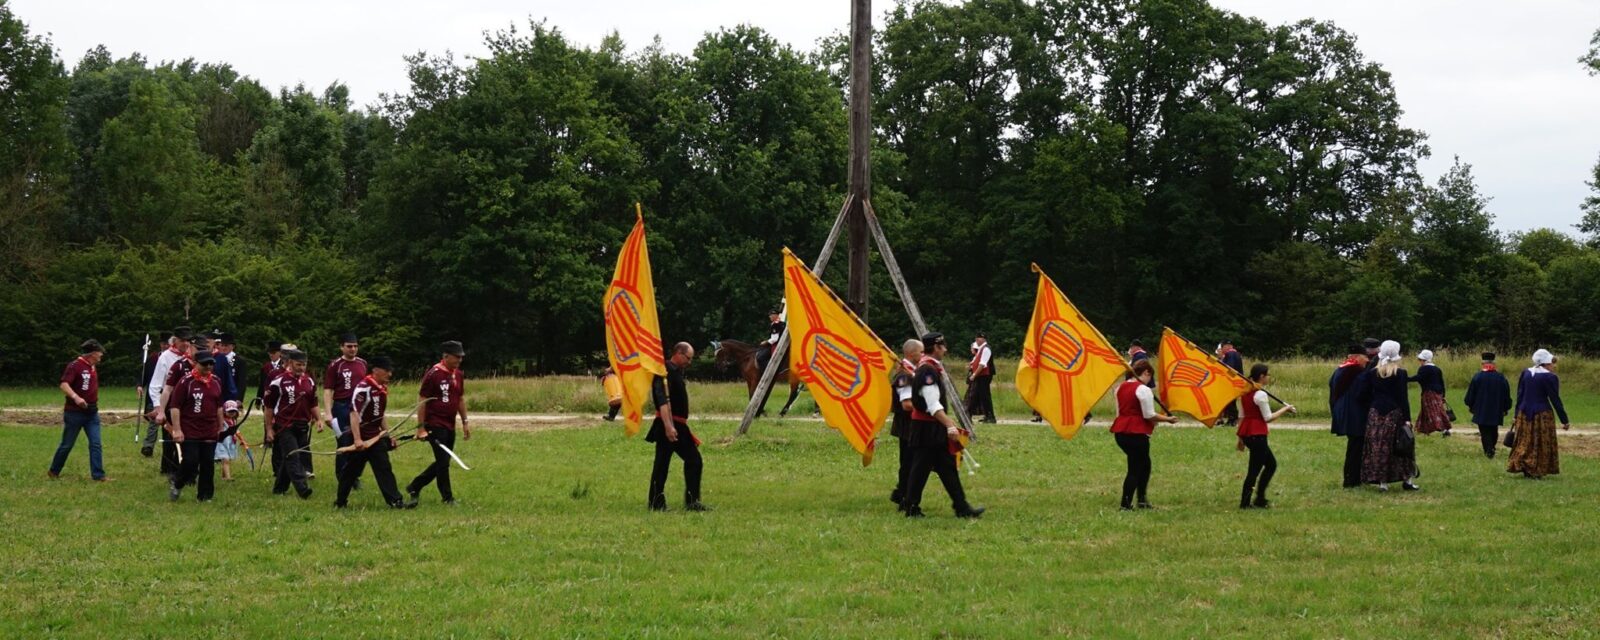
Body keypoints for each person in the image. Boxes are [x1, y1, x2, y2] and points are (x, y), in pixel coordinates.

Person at [902, 332, 985, 519]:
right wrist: (949, 425)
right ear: (936, 348)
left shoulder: (928, 368)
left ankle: (961, 507)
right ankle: (911, 506)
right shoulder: (927, 371)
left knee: (946, 466)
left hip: (930, 427)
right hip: (926, 429)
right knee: (920, 468)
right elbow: (932, 404)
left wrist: (947, 424)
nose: (946, 350)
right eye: (943, 347)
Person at [336, 356, 413, 509]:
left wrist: (387, 435)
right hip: (361, 438)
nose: (390, 374)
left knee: (384, 467)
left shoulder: (382, 388)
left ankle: (395, 501)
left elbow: (380, 415)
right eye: (386, 371)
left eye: (390, 371)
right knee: (351, 471)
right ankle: (340, 501)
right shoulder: (364, 387)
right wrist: (357, 439)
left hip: (375, 438)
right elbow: (354, 414)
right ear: (376, 370)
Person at [642, 342, 708, 511]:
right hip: (670, 425)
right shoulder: (664, 371)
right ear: (678, 353)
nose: (689, 362)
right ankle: (683, 502)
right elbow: (662, 400)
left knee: (666, 463)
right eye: (688, 358)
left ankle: (660, 502)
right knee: (690, 460)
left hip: (676, 424)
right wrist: (668, 426)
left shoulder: (674, 371)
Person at [407, 341, 470, 506]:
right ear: (446, 356)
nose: (459, 360)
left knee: (445, 460)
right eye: (457, 357)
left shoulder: (459, 374)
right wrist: (421, 428)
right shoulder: (433, 374)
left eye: (461, 357)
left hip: (450, 423)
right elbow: (422, 400)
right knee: (443, 462)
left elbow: (460, 398)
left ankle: (415, 485)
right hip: (435, 423)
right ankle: (447, 497)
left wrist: (465, 421)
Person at [1110, 360, 1178, 510]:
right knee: (1135, 468)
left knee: (1145, 465)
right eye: (1150, 377)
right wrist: (1168, 419)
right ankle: (1126, 504)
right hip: (1136, 433)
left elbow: (1119, 413)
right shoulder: (1143, 389)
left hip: (1121, 432)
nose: (1150, 381)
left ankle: (1142, 499)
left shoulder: (1119, 388)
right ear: (1146, 372)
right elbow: (1149, 415)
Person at [1358, 340, 1418, 492]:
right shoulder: (1401, 373)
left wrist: (1372, 404)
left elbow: (1361, 395)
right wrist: (1407, 418)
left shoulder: (1372, 373)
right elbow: (1403, 398)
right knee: (1401, 446)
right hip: (1394, 413)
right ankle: (1407, 480)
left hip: (1376, 413)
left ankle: (1382, 482)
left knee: (1379, 447)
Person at [166, 351, 226, 502]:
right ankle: (178, 482)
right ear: (195, 363)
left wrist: (221, 426)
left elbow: (219, 406)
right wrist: (177, 429)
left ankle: (205, 496)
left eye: (211, 364)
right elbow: (175, 407)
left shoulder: (216, 381)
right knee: (191, 461)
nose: (208, 367)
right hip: (190, 429)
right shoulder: (186, 382)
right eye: (204, 364)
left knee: (208, 463)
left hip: (210, 429)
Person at [48, 340, 110, 482]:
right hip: (74, 413)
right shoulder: (75, 366)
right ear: (92, 353)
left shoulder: (92, 367)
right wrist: (76, 398)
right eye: (99, 352)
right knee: (67, 444)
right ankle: (54, 470)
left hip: (92, 413)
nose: (101, 355)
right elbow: (64, 384)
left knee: (96, 443)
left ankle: (98, 475)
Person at [1237, 364, 1295, 509]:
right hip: (1257, 435)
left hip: (1248, 433)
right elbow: (1268, 417)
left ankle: (1260, 498)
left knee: (1270, 464)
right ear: (1262, 376)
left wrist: (1240, 438)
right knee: (1254, 470)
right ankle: (1247, 503)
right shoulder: (1260, 394)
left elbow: (1242, 416)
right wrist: (1285, 409)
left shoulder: (1245, 391)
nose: (1269, 377)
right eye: (1268, 375)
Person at [263, 348, 317, 499]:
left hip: (302, 425)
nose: (302, 368)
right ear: (290, 363)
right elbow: (268, 407)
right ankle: (302, 488)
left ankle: (279, 488)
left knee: (291, 457)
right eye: (299, 364)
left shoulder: (309, 381)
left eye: (304, 365)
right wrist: (269, 429)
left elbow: (313, 403)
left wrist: (318, 419)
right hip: (285, 425)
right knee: (293, 456)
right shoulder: (278, 381)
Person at [1507, 349, 1569, 479]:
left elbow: (1520, 395)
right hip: (1542, 414)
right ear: (1546, 363)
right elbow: (1555, 399)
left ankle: (1523, 464)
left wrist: (1516, 414)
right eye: (1552, 363)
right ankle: (1536, 468)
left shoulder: (1526, 373)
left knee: (1525, 440)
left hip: (1524, 413)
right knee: (1540, 442)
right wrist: (1564, 420)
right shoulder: (1550, 377)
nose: (1554, 366)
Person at [323, 333, 367, 486]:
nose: (352, 349)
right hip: (341, 407)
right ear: (342, 347)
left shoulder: (362, 363)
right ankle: (342, 476)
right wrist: (328, 413)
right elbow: (328, 390)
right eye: (349, 346)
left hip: (359, 407)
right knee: (344, 441)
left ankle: (354, 475)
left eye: (355, 346)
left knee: (360, 441)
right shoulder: (335, 365)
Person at [143, 327, 191, 458]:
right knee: (170, 438)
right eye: (182, 340)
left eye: (188, 341)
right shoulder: (165, 357)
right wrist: (159, 407)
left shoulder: (192, 357)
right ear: (175, 341)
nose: (185, 344)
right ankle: (168, 468)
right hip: (170, 400)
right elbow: (155, 385)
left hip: (188, 402)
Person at [887, 339, 922, 511]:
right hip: (908, 425)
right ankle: (903, 496)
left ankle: (902, 493)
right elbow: (906, 404)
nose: (922, 355)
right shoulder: (905, 376)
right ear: (910, 354)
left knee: (911, 461)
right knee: (909, 462)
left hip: (911, 425)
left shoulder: (910, 372)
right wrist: (927, 408)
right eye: (920, 352)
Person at [1329, 345, 1370, 488]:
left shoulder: (1339, 369)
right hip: (1354, 414)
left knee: (1354, 445)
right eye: (1365, 357)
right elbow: (1362, 393)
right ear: (1357, 357)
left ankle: (1353, 478)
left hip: (1342, 411)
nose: (1367, 360)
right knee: (1356, 447)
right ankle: (1351, 480)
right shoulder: (1356, 371)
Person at [1463, 352, 1512, 459]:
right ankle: (1491, 448)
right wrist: (1506, 407)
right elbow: (1506, 394)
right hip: (1496, 409)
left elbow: (1470, 395)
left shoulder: (1477, 377)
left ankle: (1489, 450)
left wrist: (1470, 405)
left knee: (1484, 431)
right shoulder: (1501, 378)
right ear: (1494, 364)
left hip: (1481, 409)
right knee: (1494, 429)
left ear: (1482, 363)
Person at [1411, 350, 1453, 437]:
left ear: (1424, 360)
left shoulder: (1424, 368)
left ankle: (1444, 430)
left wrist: (1405, 379)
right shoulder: (1437, 369)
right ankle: (1424, 430)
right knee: (1433, 410)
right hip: (1438, 393)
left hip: (1429, 393)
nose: (1420, 362)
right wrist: (1443, 395)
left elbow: (1418, 378)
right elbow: (1441, 383)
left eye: (1421, 360)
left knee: (1433, 412)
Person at [258, 341, 285, 473]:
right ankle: (268, 438)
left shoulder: (285, 365)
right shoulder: (266, 367)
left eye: (273, 353)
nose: (271, 355)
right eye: (269, 353)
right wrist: (260, 398)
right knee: (267, 419)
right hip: (268, 398)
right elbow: (262, 384)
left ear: (280, 353)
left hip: (280, 400)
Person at [966, 333, 996, 423]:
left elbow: (982, 364)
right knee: (979, 395)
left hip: (984, 376)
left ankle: (990, 417)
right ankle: (986, 415)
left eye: (979, 338)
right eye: (976, 338)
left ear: (984, 339)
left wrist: (974, 374)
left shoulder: (986, 349)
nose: (977, 340)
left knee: (984, 396)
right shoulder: (981, 349)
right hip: (981, 375)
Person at [1215, 340, 1245, 426]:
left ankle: (1232, 419)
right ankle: (1231, 419)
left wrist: (1221, 362)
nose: (1222, 350)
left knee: (1229, 401)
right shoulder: (1235, 354)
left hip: (1231, 382)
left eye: (1222, 348)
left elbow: (1228, 368)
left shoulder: (1230, 354)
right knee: (1231, 401)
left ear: (1226, 347)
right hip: (1236, 382)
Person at [212, 333, 244, 403]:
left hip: (232, 395)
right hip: (218, 393)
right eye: (222, 345)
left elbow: (241, 382)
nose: (223, 348)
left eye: (226, 346)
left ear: (232, 346)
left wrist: (239, 398)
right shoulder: (215, 359)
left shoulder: (239, 361)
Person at [216, 401, 241, 481]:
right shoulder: (221, 420)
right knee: (225, 459)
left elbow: (235, 431)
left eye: (233, 411)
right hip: (221, 443)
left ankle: (223, 476)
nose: (231, 413)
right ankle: (228, 477)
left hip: (230, 443)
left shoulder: (233, 421)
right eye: (229, 411)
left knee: (227, 460)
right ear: (224, 411)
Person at [754, 309, 785, 373]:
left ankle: (768, 371)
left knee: (760, 358)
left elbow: (774, 339)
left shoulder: (775, 324)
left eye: (771, 315)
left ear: (775, 315)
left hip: (777, 345)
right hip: (782, 344)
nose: (770, 317)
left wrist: (766, 342)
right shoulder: (782, 323)